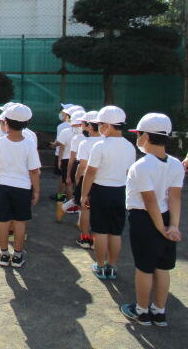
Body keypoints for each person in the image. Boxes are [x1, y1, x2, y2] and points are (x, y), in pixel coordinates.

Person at [120, 113, 183, 327]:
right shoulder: (175, 164)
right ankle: (159, 311)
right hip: (166, 217)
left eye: (139, 134)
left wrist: (161, 228)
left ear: (145, 136)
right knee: (163, 267)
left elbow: (150, 202)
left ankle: (142, 311)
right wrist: (173, 226)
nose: (137, 138)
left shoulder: (142, 165)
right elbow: (174, 197)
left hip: (144, 220)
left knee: (144, 268)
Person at [80, 105, 136, 280]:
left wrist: (84, 194)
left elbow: (90, 172)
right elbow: (128, 173)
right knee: (115, 232)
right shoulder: (130, 147)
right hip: (120, 191)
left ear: (108, 125)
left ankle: (100, 266)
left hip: (101, 191)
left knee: (100, 231)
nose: (99, 127)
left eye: (101, 124)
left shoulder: (100, 145)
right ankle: (112, 266)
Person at [0, 103, 41, 269]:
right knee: (20, 222)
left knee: (3, 221)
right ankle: (17, 255)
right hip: (23, 188)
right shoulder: (29, 143)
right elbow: (34, 171)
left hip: (3, 185)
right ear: (26, 123)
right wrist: (36, 190)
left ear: (6, 123)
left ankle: (4, 254)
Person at [74, 110, 102, 249]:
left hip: (87, 179)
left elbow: (82, 165)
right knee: (99, 211)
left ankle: (85, 238)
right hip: (102, 182)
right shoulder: (105, 141)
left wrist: (77, 177)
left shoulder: (85, 143)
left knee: (85, 209)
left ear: (90, 126)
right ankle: (97, 240)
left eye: (84, 123)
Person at [55, 105, 84, 205]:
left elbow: (61, 146)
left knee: (66, 182)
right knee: (76, 184)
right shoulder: (88, 134)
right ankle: (75, 204)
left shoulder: (63, 129)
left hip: (66, 159)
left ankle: (61, 200)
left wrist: (59, 160)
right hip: (81, 161)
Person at [61, 110, 86, 214]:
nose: (73, 128)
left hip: (78, 165)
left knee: (75, 191)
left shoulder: (76, 138)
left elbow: (71, 157)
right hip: (81, 166)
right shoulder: (100, 137)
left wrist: (68, 175)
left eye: (75, 125)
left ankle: (65, 204)